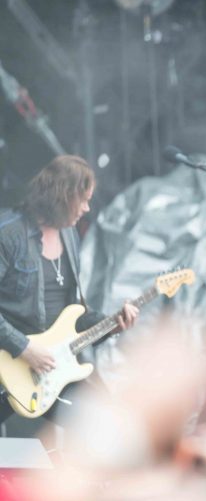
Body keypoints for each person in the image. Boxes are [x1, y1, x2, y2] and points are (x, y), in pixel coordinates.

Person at [0, 155, 138, 420]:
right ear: (62, 197)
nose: (87, 208)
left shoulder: (69, 234)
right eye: (83, 200)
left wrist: (112, 323)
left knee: (104, 422)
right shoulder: (8, 234)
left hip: (51, 368)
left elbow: (73, 311)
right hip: (8, 363)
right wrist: (24, 348)